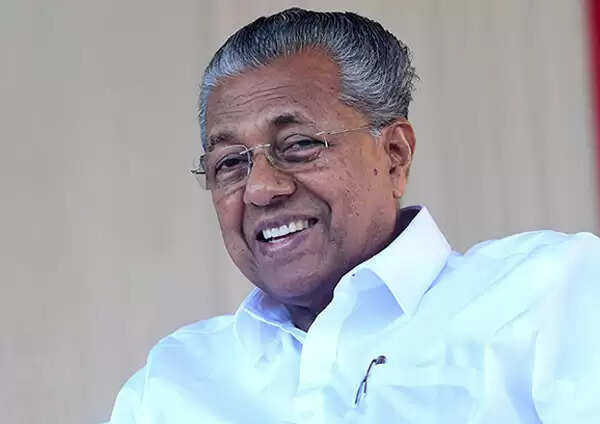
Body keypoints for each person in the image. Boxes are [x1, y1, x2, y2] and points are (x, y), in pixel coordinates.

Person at [107, 8, 600, 423]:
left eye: (298, 145)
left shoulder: (550, 293)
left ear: (395, 155)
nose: (260, 188)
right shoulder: (171, 384)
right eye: (230, 163)